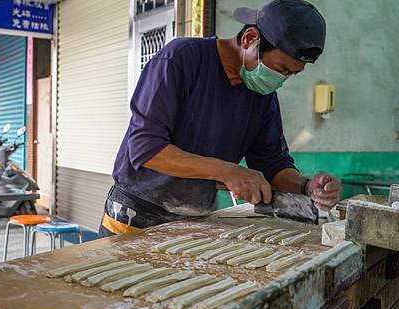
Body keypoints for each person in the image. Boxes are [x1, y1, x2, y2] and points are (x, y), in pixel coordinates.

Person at [98, 0, 342, 238]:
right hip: (134, 219)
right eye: (280, 68)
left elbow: (273, 165)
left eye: (291, 74)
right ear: (250, 39)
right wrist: (227, 171)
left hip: (193, 225)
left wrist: (306, 187)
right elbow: (146, 149)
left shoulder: (263, 98)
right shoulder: (181, 59)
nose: (282, 78)